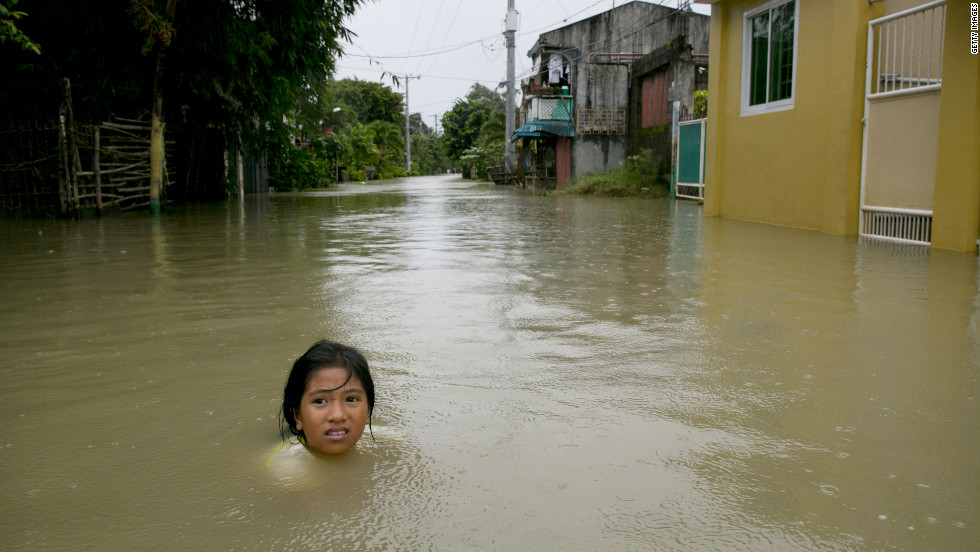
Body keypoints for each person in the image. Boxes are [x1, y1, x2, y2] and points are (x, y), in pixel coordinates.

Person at [279, 340, 375, 456]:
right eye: (320, 401)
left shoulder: (391, 441)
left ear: (367, 411)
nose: (337, 415)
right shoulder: (286, 470)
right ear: (298, 416)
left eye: (351, 399)